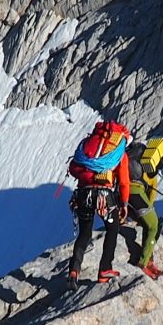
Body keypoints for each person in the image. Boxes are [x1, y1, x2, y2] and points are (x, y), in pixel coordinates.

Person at [66, 118, 134, 281]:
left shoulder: (89, 144)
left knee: (84, 233)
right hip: (104, 196)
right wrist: (124, 203)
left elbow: (74, 168)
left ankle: (74, 271)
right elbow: (124, 182)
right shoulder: (118, 151)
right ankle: (105, 269)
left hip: (83, 194)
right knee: (113, 228)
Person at [128, 135, 163, 276]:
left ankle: (149, 259)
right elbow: (150, 200)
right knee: (153, 225)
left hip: (122, 192)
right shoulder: (151, 176)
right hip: (135, 193)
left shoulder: (134, 161)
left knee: (146, 224)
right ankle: (144, 262)